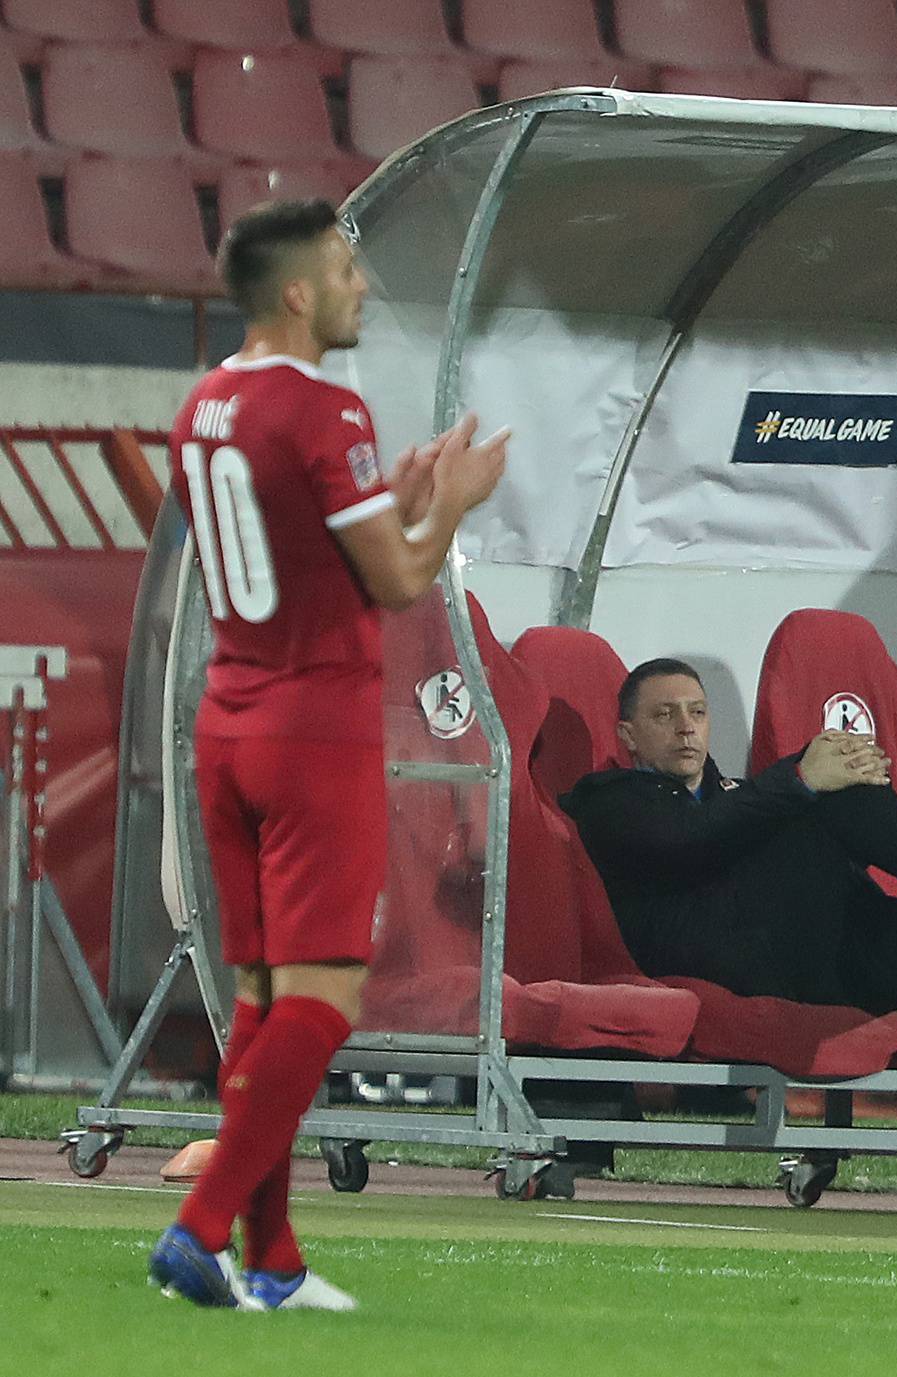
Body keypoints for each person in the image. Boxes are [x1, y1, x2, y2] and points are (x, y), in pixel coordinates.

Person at [149, 199, 509, 1309]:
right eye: (347, 271)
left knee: (261, 997)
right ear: (297, 292)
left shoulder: (202, 404)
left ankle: (273, 1260)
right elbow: (398, 586)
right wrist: (445, 509)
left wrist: (388, 501)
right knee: (324, 1002)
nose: (360, 287)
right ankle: (200, 1230)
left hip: (230, 722)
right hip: (316, 729)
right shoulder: (324, 406)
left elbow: (296, 542)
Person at [559, 659, 897, 1220]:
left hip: (826, 947)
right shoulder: (609, 798)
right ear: (627, 735)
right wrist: (803, 777)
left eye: (697, 713)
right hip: (730, 958)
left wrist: (831, 775)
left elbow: (763, 827)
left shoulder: (746, 795)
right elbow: (691, 841)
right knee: (824, 784)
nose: (686, 727)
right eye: (665, 714)